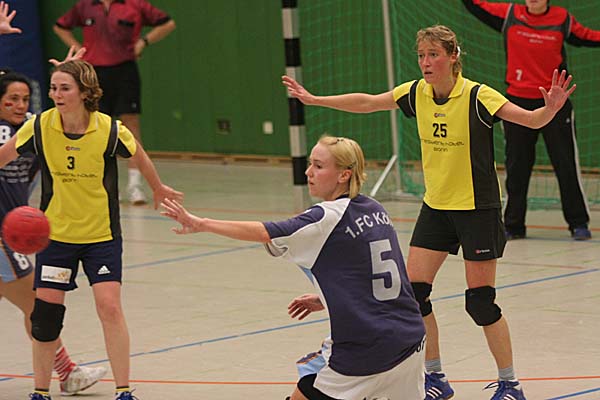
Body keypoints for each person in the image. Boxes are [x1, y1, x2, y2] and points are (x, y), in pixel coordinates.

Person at [282, 25, 576, 400]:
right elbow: (368, 102)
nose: (425, 62)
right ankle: (435, 377)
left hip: (477, 209)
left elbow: (531, 120)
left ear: (453, 57)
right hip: (436, 207)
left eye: (433, 54)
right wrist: (315, 99)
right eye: (421, 55)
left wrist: (549, 109)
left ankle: (510, 383)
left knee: (480, 302)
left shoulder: (478, 96)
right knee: (413, 296)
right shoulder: (416, 93)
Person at [161, 135, 427, 400]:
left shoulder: (325, 217)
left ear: (344, 175)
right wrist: (327, 298)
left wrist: (201, 224)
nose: (308, 172)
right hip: (411, 338)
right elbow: (383, 277)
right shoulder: (375, 209)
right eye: (310, 164)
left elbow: (265, 232)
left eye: (318, 166)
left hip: (367, 348)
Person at [0, 60, 183, 400]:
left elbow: (139, 155)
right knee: (45, 317)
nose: (56, 94)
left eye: (64, 88)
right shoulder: (40, 126)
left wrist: (157, 187)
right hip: (56, 239)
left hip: (101, 238)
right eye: (53, 88)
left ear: (85, 93)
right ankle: (40, 392)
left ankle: (123, 391)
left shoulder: (110, 130)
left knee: (109, 308)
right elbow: (3, 156)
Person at [0, 70, 108, 395]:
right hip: (3, 235)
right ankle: (67, 372)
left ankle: (66, 372)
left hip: (13, 229)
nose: (20, 105)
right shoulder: (7, 132)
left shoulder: (35, 127)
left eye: (24, 99)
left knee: (33, 307)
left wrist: (72, 81)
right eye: (11, 99)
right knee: (36, 305)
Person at [462, 0, 600, 241]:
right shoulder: (510, 14)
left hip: (554, 104)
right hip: (517, 103)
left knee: (566, 164)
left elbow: (588, 36)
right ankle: (513, 225)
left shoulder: (562, 18)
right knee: (516, 165)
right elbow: (476, 5)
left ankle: (578, 222)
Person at [53, 0, 176, 205]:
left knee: (131, 126)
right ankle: (107, 185)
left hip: (124, 70)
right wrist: (79, 48)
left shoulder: (135, 5)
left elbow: (168, 23)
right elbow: (60, 26)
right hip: (94, 72)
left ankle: (135, 185)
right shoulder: (85, 6)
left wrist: (143, 42)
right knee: (96, 127)